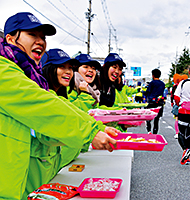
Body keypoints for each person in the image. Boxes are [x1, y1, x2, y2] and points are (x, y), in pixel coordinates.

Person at [0, 12, 117, 199]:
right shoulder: (3, 70)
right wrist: (89, 132)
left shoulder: (30, 76)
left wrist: (97, 127)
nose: (40, 41)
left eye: (42, 37)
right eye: (32, 35)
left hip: (25, 181)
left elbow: (54, 102)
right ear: (10, 38)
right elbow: (40, 104)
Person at [145, 68, 165, 134]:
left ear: (153, 75)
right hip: (159, 103)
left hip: (151, 103)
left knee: (148, 118)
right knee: (157, 119)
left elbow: (148, 91)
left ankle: (149, 130)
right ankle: (155, 132)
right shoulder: (162, 84)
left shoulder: (152, 83)